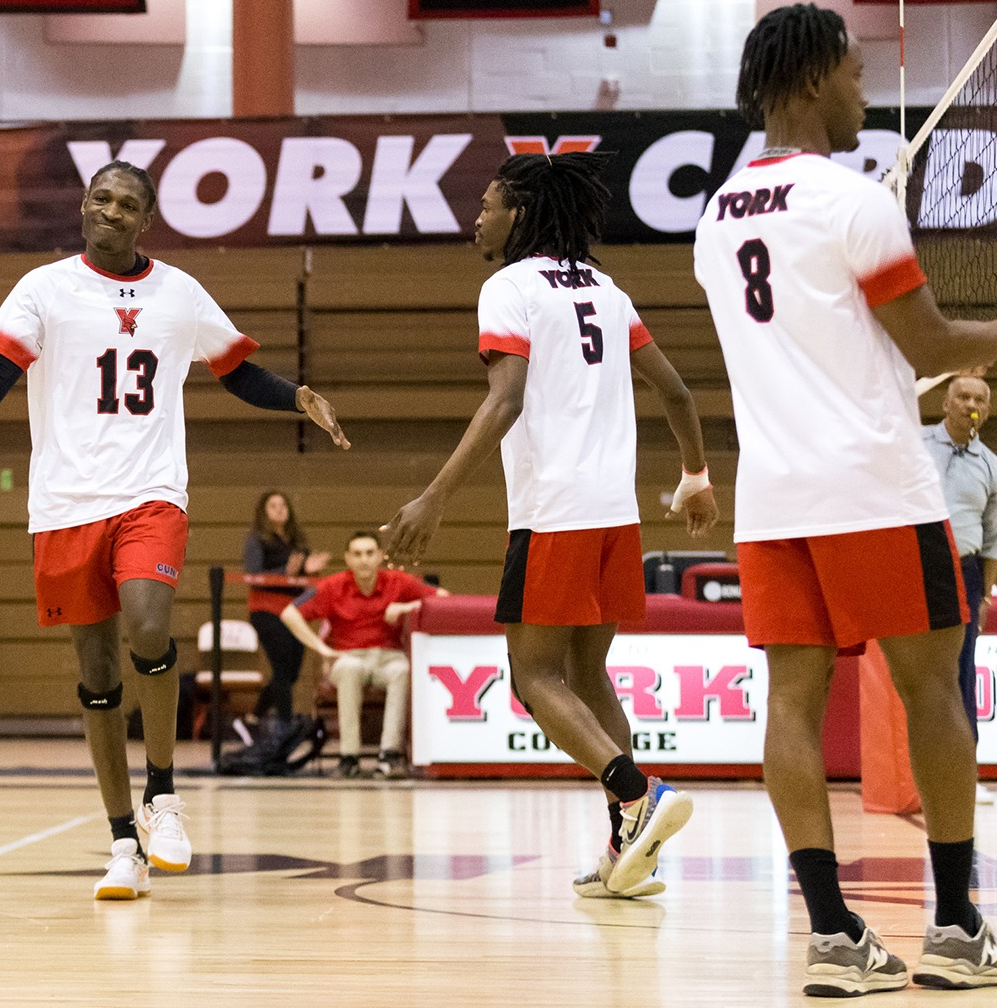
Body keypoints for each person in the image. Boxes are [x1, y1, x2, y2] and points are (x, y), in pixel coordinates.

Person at [0, 161, 350, 901]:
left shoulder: (181, 293)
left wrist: (297, 397)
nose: (111, 211)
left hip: (150, 496)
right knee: (98, 674)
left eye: (127, 204)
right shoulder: (43, 289)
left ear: (147, 220)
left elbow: (235, 373)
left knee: (149, 624)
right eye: (101, 198)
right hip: (66, 505)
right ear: (83, 206)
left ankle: (162, 795)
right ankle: (122, 843)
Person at [695, 3, 997, 994]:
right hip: (873, 484)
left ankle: (832, 934)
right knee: (934, 690)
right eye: (853, 70)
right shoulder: (851, 201)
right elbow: (935, 345)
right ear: (809, 80)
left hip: (774, 498)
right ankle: (955, 925)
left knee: (790, 699)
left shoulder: (715, 217)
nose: (864, 88)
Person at [386, 152, 717, 903]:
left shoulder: (507, 287)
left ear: (522, 216)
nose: (478, 217)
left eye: (489, 203)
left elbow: (505, 400)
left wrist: (435, 495)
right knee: (589, 674)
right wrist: (695, 479)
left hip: (555, 512)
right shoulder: (607, 288)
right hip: (615, 511)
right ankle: (629, 852)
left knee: (534, 681)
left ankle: (638, 797)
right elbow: (677, 390)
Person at [279, 530, 445, 779]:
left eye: (369, 553)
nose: (364, 559)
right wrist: (320, 647)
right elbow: (289, 614)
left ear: (379, 556)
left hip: (388, 656)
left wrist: (405, 607)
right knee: (349, 670)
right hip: (349, 656)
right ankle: (349, 758)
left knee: (402, 670)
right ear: (348, 559)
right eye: (357, 554)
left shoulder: (398, 582)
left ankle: (389, 755)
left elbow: (443, 598)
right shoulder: (333, 586)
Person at [923, 374, 997, 805]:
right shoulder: (915, 446)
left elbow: (992, 539)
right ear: (945, 402)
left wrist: (985, 594)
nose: (970, 403)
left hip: (964, 573)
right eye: (962, 395)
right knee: (915, 673)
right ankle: (914, 772)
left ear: (986, 410)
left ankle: (963, 774)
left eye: (979, 399)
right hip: (914, 565)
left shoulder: (990, 464)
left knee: (962, 672)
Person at [242, 491, 325, 724]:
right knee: (281, 666)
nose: (279, 509)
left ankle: (253, 717)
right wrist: (285, 574)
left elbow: (303, 580)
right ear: (263, 512)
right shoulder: (256, 539)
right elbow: (253, 574)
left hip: (294, 612)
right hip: (266, 609)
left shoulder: (297, 542)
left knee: (291, 672)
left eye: (283, 505)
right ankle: (285, 728)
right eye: (273, 505)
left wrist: (310, 570)